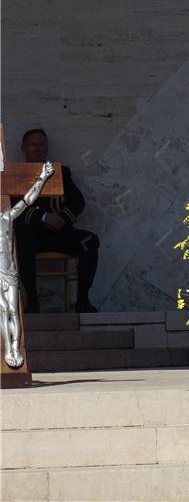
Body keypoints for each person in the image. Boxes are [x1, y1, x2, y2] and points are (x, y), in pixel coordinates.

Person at [13, 129, 99, 313]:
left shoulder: (60, 173)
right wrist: (44, 217)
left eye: (42, 144)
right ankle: (33, 302)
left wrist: (62, 218)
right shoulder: (17, 175)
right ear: (23, 148)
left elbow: (78, 200)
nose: (38, 149)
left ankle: (83, 300)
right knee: (20, 242)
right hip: (31, 235)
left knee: (90, 241)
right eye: (33, 145)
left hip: (59, 232)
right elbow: (15, 207)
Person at [1, 161, 54, 366]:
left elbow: (27, 201)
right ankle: (8, 348)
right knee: (3, 309)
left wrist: (42, 177)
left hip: (9, 271)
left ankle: (16, 347)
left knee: (14, 310)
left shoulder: (6, 217)